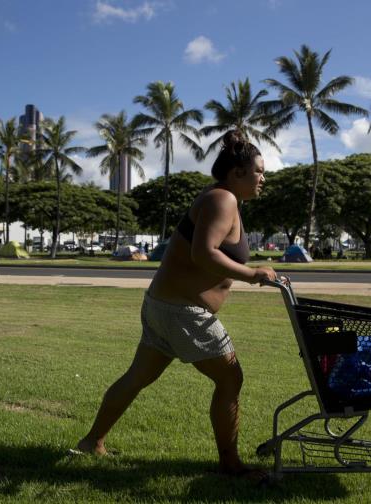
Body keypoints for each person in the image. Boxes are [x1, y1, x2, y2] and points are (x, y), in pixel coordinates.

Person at [75, 130, 276, 482]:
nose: (264, 178)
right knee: (231, 379)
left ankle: (92, 442)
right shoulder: (222, 199)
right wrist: (251, 273)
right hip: (182, 311)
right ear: (237, 173)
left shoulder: (225, 200)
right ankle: (231, 465)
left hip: (164, 305)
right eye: (259, 171)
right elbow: (204, 253)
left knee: (139, 376)